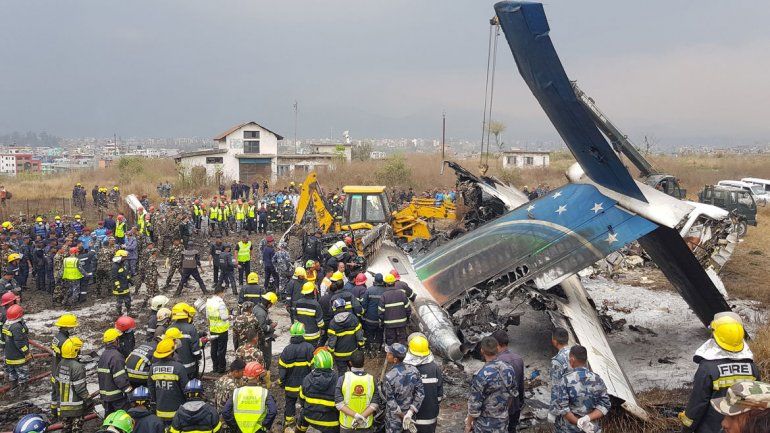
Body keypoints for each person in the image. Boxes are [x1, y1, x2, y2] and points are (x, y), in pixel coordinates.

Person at [680, 313, 760, 433]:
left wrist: (686, 428)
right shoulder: (752, 367)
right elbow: (757, 404)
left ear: (715, 335)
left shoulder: (707, 368)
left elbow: (697, 405)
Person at [550, 345, 611, 433]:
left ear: (572, 360)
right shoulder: (597, 379)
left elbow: (563, 408)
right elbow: (605, 405)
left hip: (568, 429)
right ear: (586, 360)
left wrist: (578, 422)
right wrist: (588, 418)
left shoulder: (566, 380)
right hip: (592, 428)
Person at [466, 337, 517, 433]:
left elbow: (474, 407)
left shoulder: (481, 375)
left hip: (484, 426)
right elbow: (512, 394)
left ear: (482, 351)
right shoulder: (509, 369)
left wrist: (468, 424)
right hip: (503, 423)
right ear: (497, 349)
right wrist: (503, 412)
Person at [222, 361, 278, 433]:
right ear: (258, 377)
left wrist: (235, 427)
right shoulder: (264, 393)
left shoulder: (237, 392)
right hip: (258, 430)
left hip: (240, 430)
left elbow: (225, 412)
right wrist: (264, 426)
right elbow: (273, 411)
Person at [278, 322, 315, 428]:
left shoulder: (286, 350)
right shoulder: (309, 348)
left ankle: (289, 424)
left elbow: (282, 370)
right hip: (305, 386)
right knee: (307, 405)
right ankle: (306, 424)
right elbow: (313, 369)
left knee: (290, 404)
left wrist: (281, 383)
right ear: (303, 334)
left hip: (290, 386)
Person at [404, 334, 443, 433]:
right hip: (429, 419)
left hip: (409, 418)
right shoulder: (434, 368)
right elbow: (439, 396)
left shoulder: (406, 369)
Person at [335, 350, 381, 433]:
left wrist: (355, 416)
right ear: (364, 362)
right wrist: (361, 417)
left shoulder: (342, 379)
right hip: (365, 424)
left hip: (347, 425)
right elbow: (375, 403)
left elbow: (339, 404)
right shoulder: (371, 379)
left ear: (350, 363)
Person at [383, 343, 424, 433]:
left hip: (394, 421)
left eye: (389, 353)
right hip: (410, 418)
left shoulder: (389, 376)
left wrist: (403, 416)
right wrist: (410, 413)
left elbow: (391, 401)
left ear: (395, 359)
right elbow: (420, 393)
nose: (387, 354)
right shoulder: (414, 370)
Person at [54, 337, 93, 433]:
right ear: (75, 351)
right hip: (76, 407)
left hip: (63, 406)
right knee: (76, 430)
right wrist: (88, 401)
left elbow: (57, 384)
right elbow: (80, 389)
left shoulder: (61, 364)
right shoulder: (78, 367)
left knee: (66, 429)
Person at [297, 350, 340, 433]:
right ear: (331, 363)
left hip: (310, 419)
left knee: (302, 417)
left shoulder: (307, 379)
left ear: (315, 364)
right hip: (332, 423)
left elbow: (302, 400)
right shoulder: (338, 379)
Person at [148, 337, 189, 423]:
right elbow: (186, 390)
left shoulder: (153, 368)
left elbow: (151, 389)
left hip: (160, 412)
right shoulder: (179, 367)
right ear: (172, 352)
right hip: (178, 412)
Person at [492, 330, 525, 432]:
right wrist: (520, 403)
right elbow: (521, 386)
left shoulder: (497, 363)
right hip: (515, 408)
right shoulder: (519, 359)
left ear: (496, 344)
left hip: (501, 410)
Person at [327, 297, 365, 375]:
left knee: (342, 374)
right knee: (355, 372)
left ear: (335, 308)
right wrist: (361, 346)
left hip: (339, 355)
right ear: (344, 306)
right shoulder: (353, 318)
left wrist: (330, 352)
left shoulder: (332, 323)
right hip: (352, 353)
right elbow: (359, 335)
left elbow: (332, 341)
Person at [98, 328, 132, 413]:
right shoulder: (116, 356)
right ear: (116, 340)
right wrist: (129, 390)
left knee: (110, 418)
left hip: (106, 396)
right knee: (122, 418)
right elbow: (120, 378)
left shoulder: (104, 355)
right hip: (117, 397)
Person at [168, 303, 202, 379]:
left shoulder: (169, 328)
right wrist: (199, 355)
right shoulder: (191, 328)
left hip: (173, 368)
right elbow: (196, 351)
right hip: (189, 368)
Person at [1, 304, 30, 387]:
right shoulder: (17, 327)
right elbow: (20, 343)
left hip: (9, 356)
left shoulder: (6, 324)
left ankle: (14, 389)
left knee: (13, 375)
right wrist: (26, 352)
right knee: (23, 376)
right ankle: (23, 394)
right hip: (18, 358)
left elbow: (3, 339)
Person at [378, 273, 410, 346]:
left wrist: (383, 322)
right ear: (394, 283)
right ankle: (402, 355)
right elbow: (408, 309)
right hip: (402, 323)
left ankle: (392, 355)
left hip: (389, 324)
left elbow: (380, 312)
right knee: (402, 340)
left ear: (385, 284)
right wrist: (406, 319)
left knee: (391, 341)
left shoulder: (384, 296)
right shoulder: (401, 294)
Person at [205, 285, 230, 374]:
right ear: (221, 292)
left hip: (213, 329)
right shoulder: (221, 303)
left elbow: (207, 317)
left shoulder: (209, 302)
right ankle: (221, 368)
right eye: (223, 293)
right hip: (222, 330)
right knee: (221, 350)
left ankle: (215, 367)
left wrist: (210, 327)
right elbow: (224, 317)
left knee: (213, 349)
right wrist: (230, 316)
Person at [294, 281, 325, 347]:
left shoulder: (298, 303)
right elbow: (320, 322)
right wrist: (322, 329)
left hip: (301, 334)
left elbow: (295, 319)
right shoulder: (316, 305)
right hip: (313, 336)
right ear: (313, 291)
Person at [361, 273, 385, 356]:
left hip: (370, 319)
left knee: (369, 334)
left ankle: (371, 350)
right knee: (379, 333)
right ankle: (378, 350)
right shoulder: (386, 291)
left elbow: (364, 305)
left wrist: (363, 316)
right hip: (381, 319)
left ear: (375, 281)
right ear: (382, 281)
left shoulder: (369, 290)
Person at [549, 327, 571, 417]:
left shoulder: (558, 361)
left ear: (554, 341)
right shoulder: (577, 353)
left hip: (565, 404)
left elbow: (556, 387)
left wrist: (553, 411)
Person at [253, 292, 278, 371]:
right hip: (263, 339)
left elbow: (264, 321)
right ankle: (264, 371)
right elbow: (262, 327)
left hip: (257, 337)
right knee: (266, 357)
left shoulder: (258, 308)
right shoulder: (261, 313)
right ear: (269, 303)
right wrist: (271, 327)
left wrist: (269, 321)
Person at [112, 250, 132, 316]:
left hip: (125, 286)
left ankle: (129, 312)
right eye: (123, 257)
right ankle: (119, 313)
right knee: (119, 301)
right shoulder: (115, 266)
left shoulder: (124, 264)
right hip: (119, 288)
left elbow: (126, 273)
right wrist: (118, 287)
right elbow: (114, 278)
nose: (125, 259)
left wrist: (130, 280)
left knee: (128, 300)